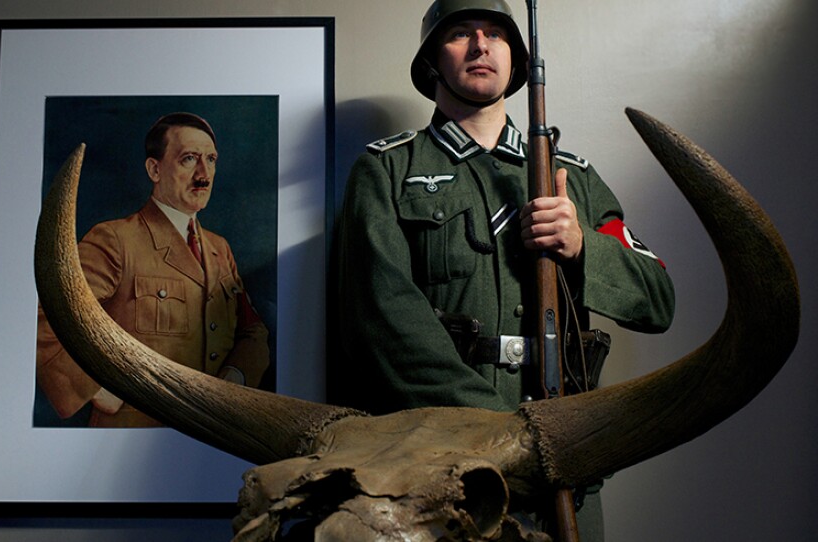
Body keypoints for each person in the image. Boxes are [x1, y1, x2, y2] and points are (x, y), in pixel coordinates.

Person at [330, 1, 675, 539]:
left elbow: (658, 299)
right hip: (440, 466)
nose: (481, 45)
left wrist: (582, 246)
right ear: (430, 62)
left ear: (516, 61)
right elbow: (382, 321)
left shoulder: (574, 180)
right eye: (460, 33)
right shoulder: (388, 169)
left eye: (496, 34)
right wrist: (505, 435)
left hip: (565, 464)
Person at [36, 112, 270, 428]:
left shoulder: (219, 249)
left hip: (215, 439)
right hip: (130, 437)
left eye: (211, 160)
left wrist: (235, 380)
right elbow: (51, 314)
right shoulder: (116, 240)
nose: (204, 174)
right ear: (154, 169)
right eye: (189, 159)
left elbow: (252, 331)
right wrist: (95, 386)